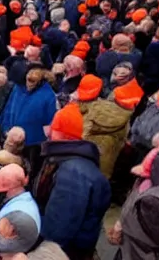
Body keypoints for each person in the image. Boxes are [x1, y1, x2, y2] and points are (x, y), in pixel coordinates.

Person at [33, 107, 111, 260]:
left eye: (53, 127)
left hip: (66, 252)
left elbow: (58, 230)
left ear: (61, 133)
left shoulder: (72, 174)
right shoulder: (72, 162)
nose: (48, 132)